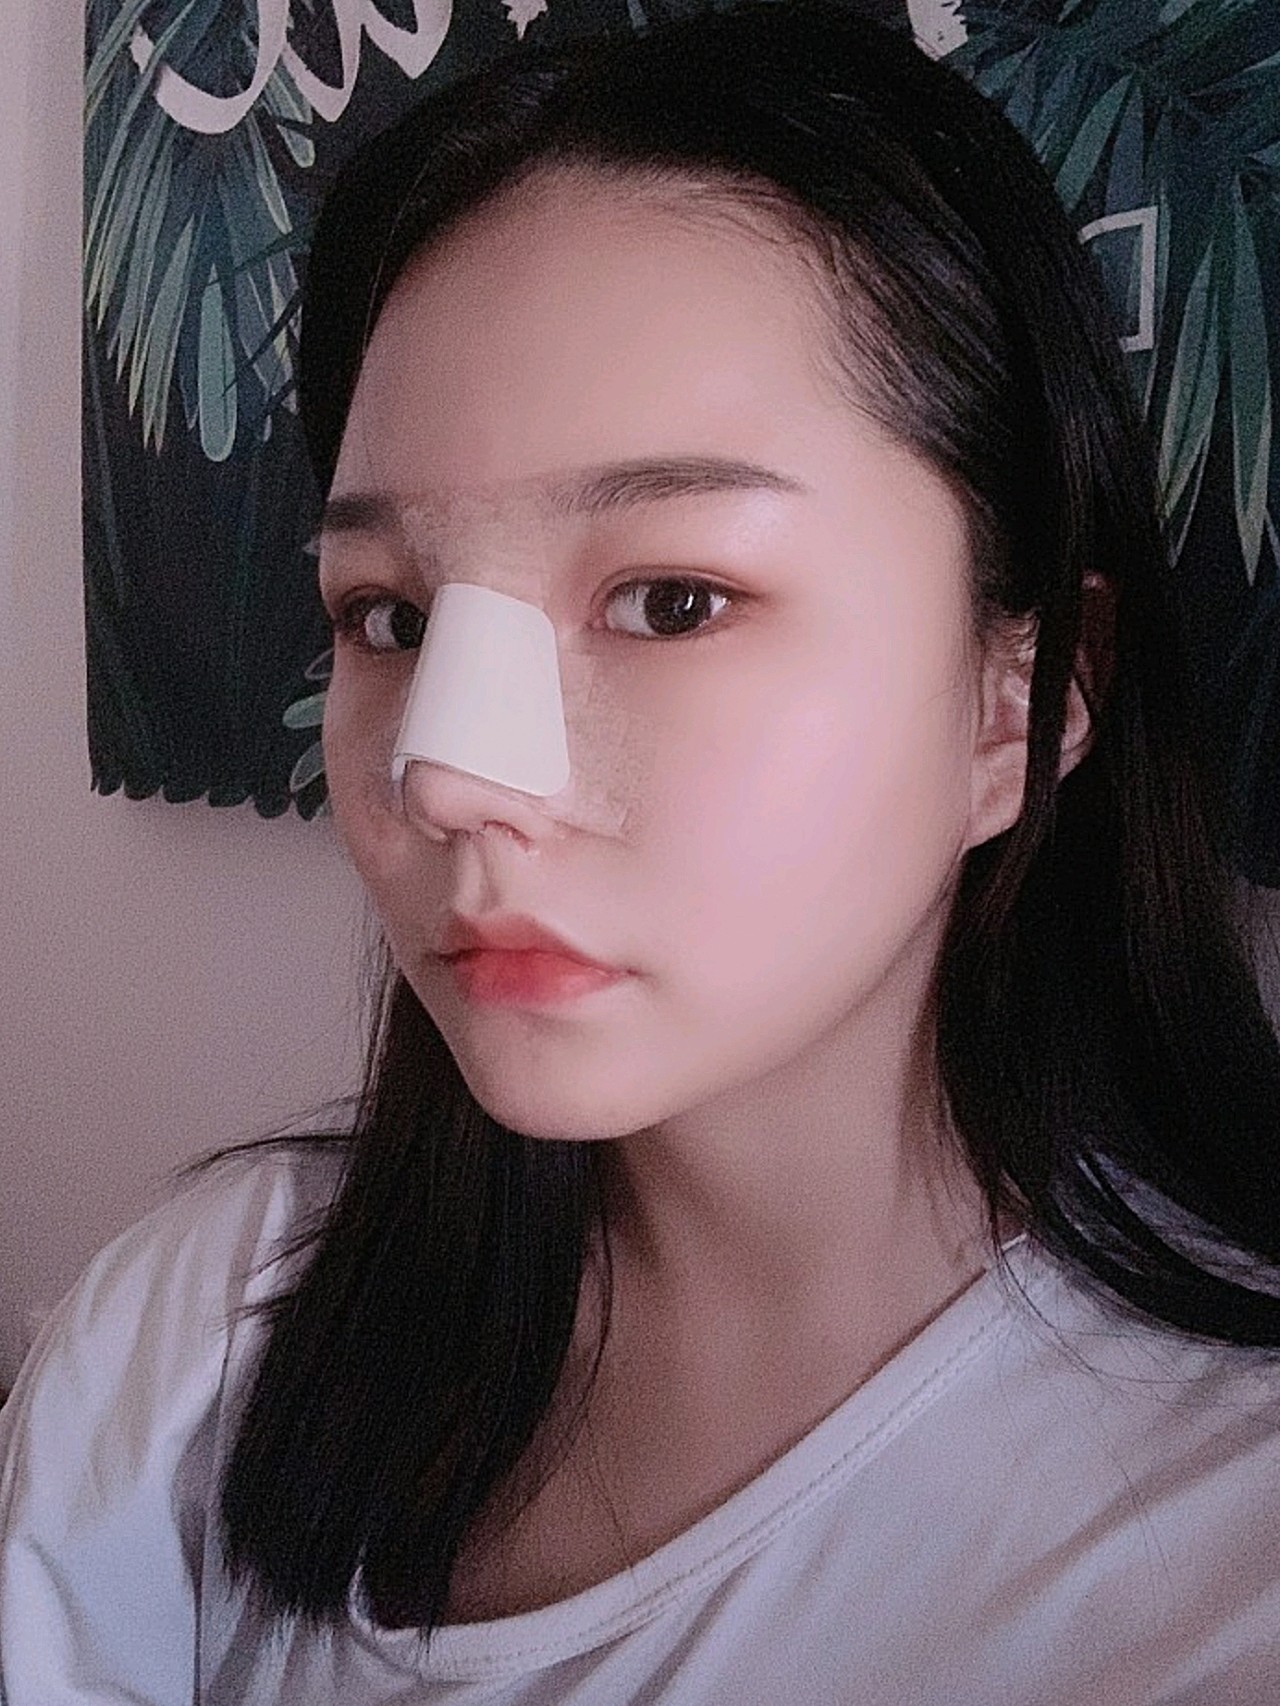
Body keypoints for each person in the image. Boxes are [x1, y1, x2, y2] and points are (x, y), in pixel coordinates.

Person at [4, 1, 1280, 1699]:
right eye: (389, 615)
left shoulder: (1220, 1564)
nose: (448, 777)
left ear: (1022, 702)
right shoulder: (193, 1344)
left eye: (672, 599)